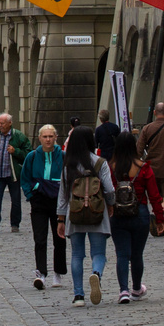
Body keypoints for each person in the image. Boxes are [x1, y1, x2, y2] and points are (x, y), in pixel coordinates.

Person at [57, 125, 115, 306]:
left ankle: (78, 296)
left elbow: (63, 194)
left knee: (77, 255)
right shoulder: (100, 162)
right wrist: (111, 205)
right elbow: (110, 189)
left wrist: (60, 218)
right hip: (97, 212)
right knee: (98, 253)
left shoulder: (69, 164)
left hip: (74, 214)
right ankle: (96, 274)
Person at [108, 129, 164, 303]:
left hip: (118, 214)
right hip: (140, 212)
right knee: (137, 255)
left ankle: (123, 290)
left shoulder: (112, 167)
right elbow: (155, 195)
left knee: (122, 254)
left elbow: (108, 191)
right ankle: (137, 288)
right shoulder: (143, 167)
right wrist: (160, 219)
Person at [21, 124, 68, 289]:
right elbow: (25, 177)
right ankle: (41, 272)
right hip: (39, 201)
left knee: (59, 238)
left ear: (56, 138)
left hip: (58, 202)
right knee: (39, 238)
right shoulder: (32, 156)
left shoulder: (63, 155)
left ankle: (58, 272)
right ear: (39, 138)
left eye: (51, 136)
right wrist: (31, 193)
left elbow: (69, 177)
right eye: (45, 137)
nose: (48, 139)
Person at [0, 113, 30, 234]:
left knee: (15, 200)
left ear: (10, 123)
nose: (0, 125)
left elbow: (28, 154)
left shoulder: (19, 136)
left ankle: (15, 224)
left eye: (2, 123)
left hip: (13, 174)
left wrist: (16, 151)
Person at [137, 102, 164, 195]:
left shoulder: (147, 128)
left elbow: (139, 151)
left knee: (154, 198)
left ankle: (157, 209)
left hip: (151, 169)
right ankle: (162, 209)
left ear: (154, 112)